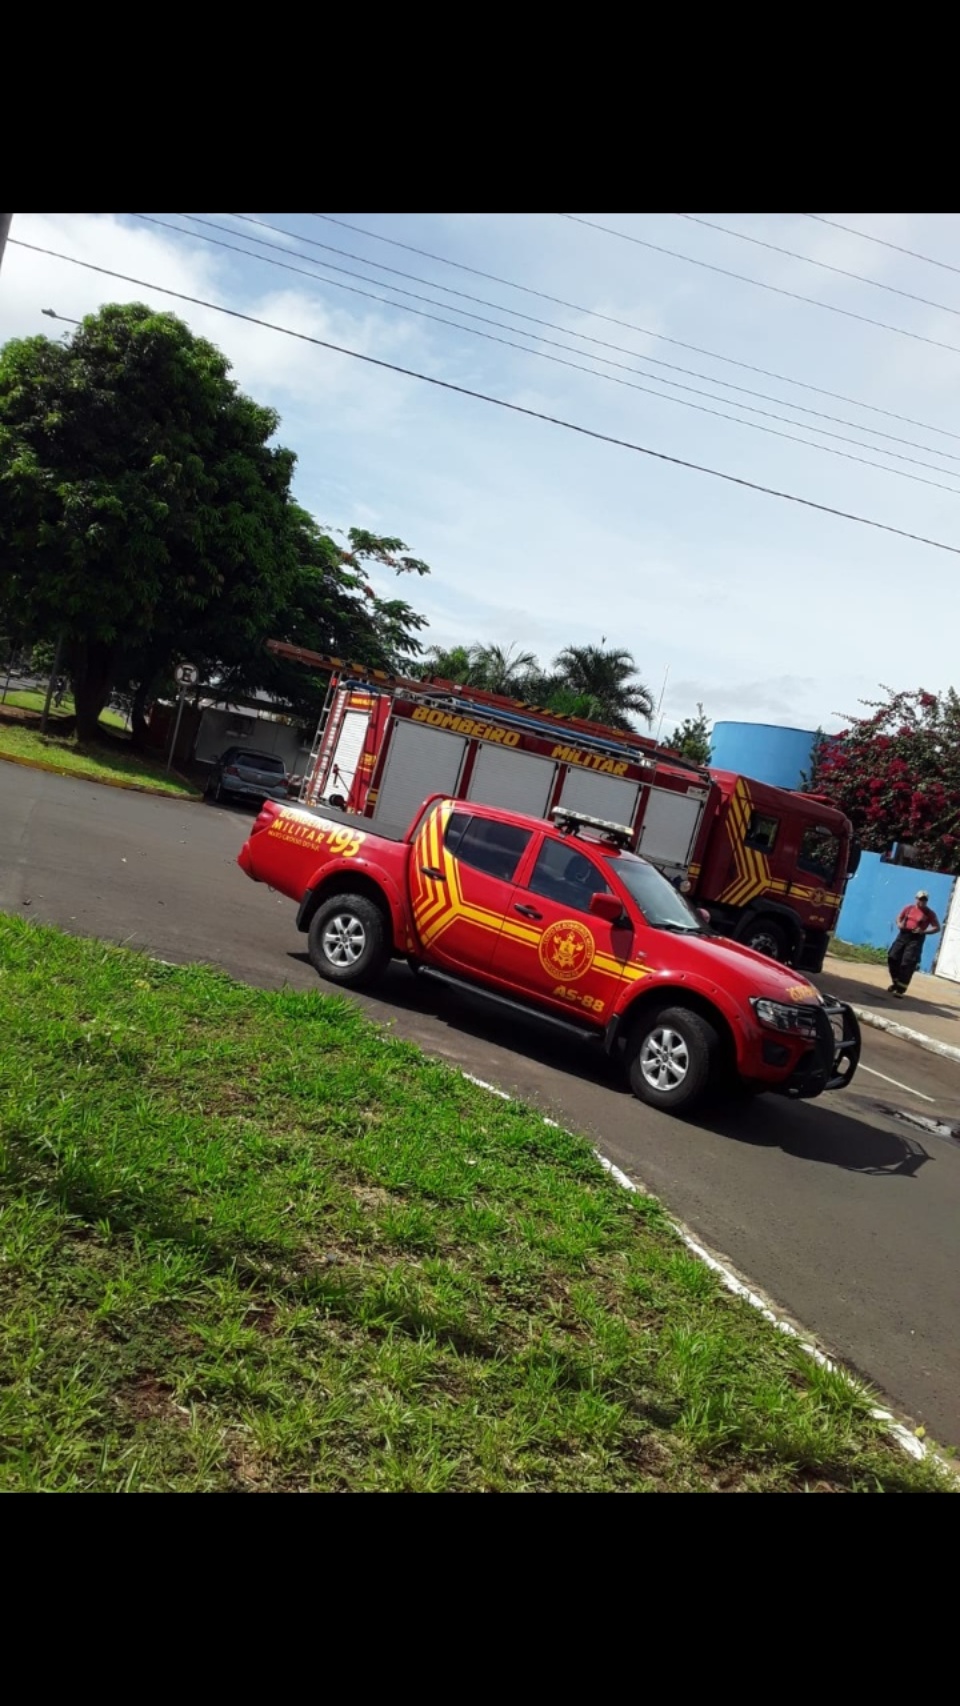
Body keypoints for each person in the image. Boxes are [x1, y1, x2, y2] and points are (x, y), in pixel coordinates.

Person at [887, 890, 941, 995]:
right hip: (903, 935)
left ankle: (900, 990)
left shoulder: (929, 913)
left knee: (907, 963)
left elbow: (936, 928)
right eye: (921, 899)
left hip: (916, 939)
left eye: (925, 900)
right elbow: (899, 917)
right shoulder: (909, 908)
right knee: (892, 957)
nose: (922, 902)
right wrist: (899, 924)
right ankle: (896, 982)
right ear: (916, 899)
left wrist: (923, 931)